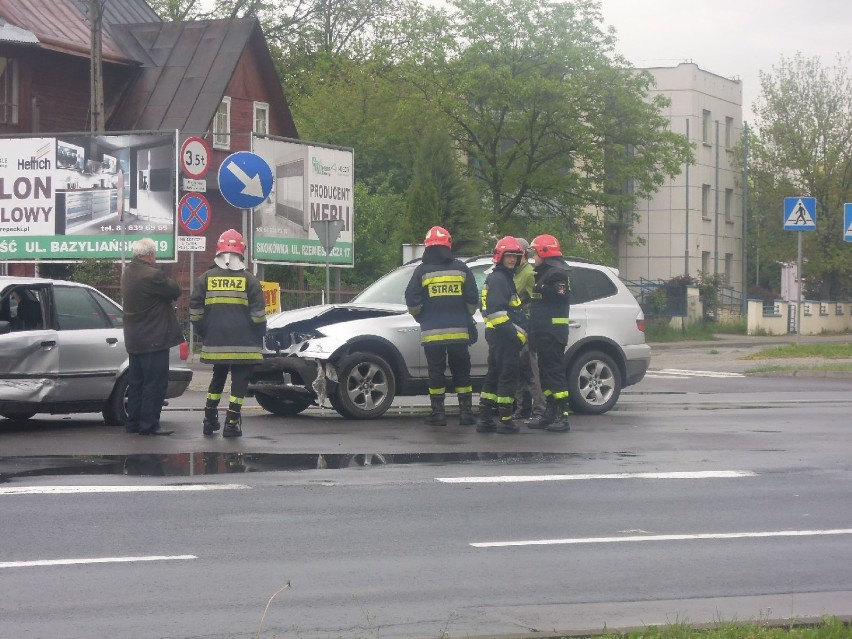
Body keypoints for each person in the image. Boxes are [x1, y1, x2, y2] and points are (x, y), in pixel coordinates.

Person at [190, 229, 267, 438]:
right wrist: (259, 335)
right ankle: (231, 423)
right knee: (239, 383)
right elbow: (259, 316)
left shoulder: (205, 278)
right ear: (241, 252)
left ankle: (209, 419)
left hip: (216, 342)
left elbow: (195, 311)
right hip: (245, 345)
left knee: (218, 378)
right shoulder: (250, 281)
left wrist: (204, 332)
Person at [405, 226, 479, 426]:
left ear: (427, 246)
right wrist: (465, 315)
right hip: (459, 333)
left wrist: (423, 317)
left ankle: (438, 413)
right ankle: (466, 413)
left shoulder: (422, 271)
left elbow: (411, 301)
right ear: (449, 244)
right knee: (461, 371)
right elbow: (473, 300)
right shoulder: (461, 268)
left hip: (432, 334)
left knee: (435, 372)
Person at [120, 237, 184, 435]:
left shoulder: (127, 272)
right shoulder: (152, 275)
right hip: (154, 338)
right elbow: (175, 290)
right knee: (154, 383)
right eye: (154, 254)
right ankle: (149, 424)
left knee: (136, 383)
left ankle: (134, 423)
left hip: (135, 338)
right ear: (149, 255)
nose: (155, 257)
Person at [476, 236, 527, 434]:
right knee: (507, 377)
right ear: (500, 257)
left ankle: (486, 418)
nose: (512, 260)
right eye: (509, 256)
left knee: (494, 376)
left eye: (515, 256)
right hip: (505, 338)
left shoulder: (499, 278)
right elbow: (497, 313)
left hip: (498, 337)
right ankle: (505, 420)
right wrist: (516, 337)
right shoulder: (500, 279)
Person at [525, 233, 571, 432]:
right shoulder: (543, 273)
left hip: (553, 333)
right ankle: (550, 413)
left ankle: (562, 416)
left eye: (535, 253)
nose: (533, 258)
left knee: (555, 374)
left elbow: (558, 297)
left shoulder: (557, 274)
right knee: (545, 376)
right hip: (542, 333)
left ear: (545, 252)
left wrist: (541, 286)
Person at [512, 237, 546, 422]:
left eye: (514, 254)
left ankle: (539, 409)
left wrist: (531, 326)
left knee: (531, 372)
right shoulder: (516, 272)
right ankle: (521, 409)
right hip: (516, 329)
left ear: (523, 254)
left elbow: (537, 301)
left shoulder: (529, 273)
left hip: (526, 329)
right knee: (519, 372)